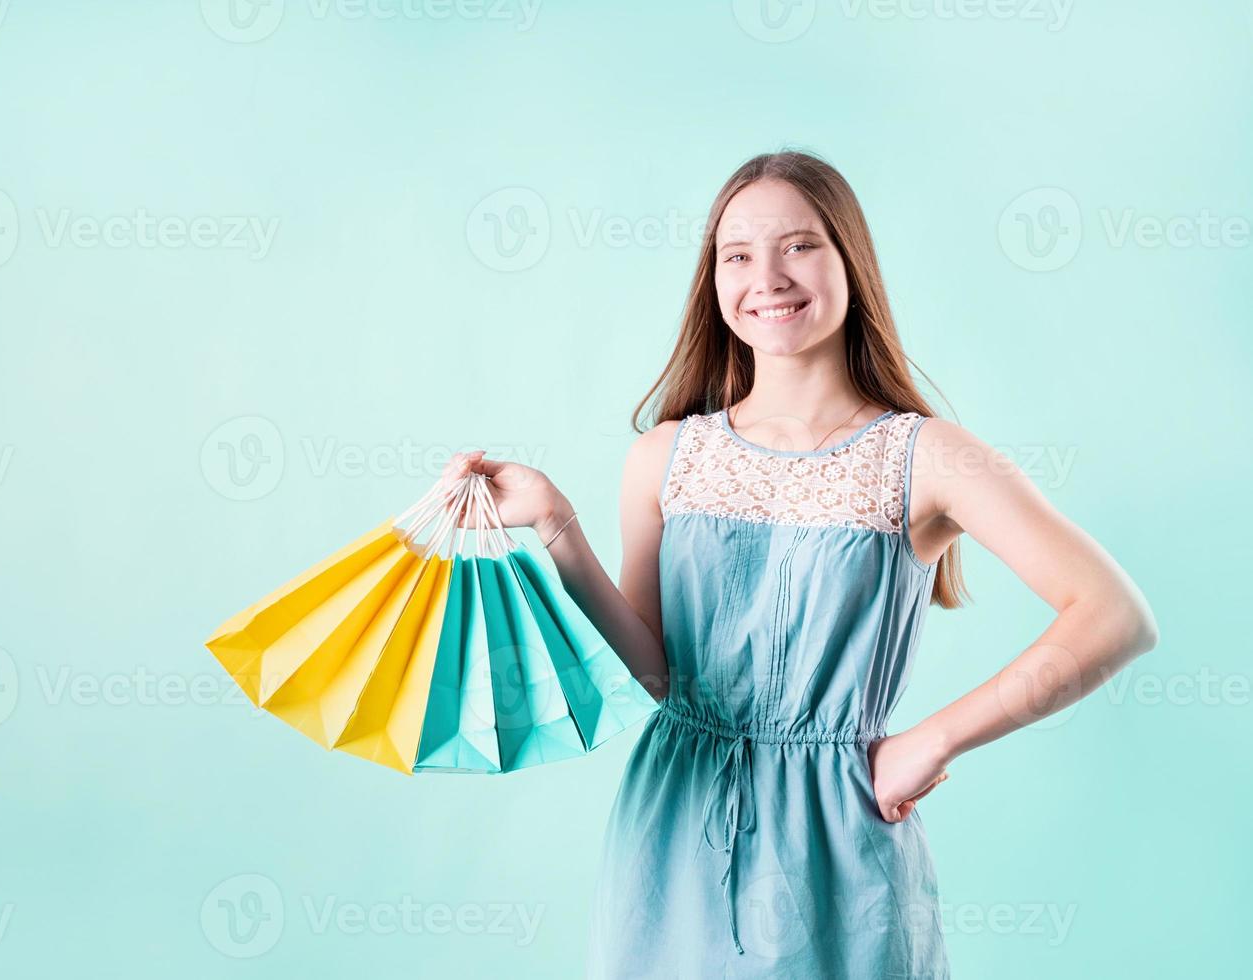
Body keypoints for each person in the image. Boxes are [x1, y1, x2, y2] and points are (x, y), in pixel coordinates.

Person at [442, 150, 1159, 978]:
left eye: (799, 246)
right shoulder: (666, 455)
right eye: (736, 254)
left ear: (849, 259)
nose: (766, 276)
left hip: (839, 836)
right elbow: (656, 675)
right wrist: (554, 525)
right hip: (672, 826)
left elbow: (1114, 615)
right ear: (713, 280)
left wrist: (933, 741)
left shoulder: (926, 456)